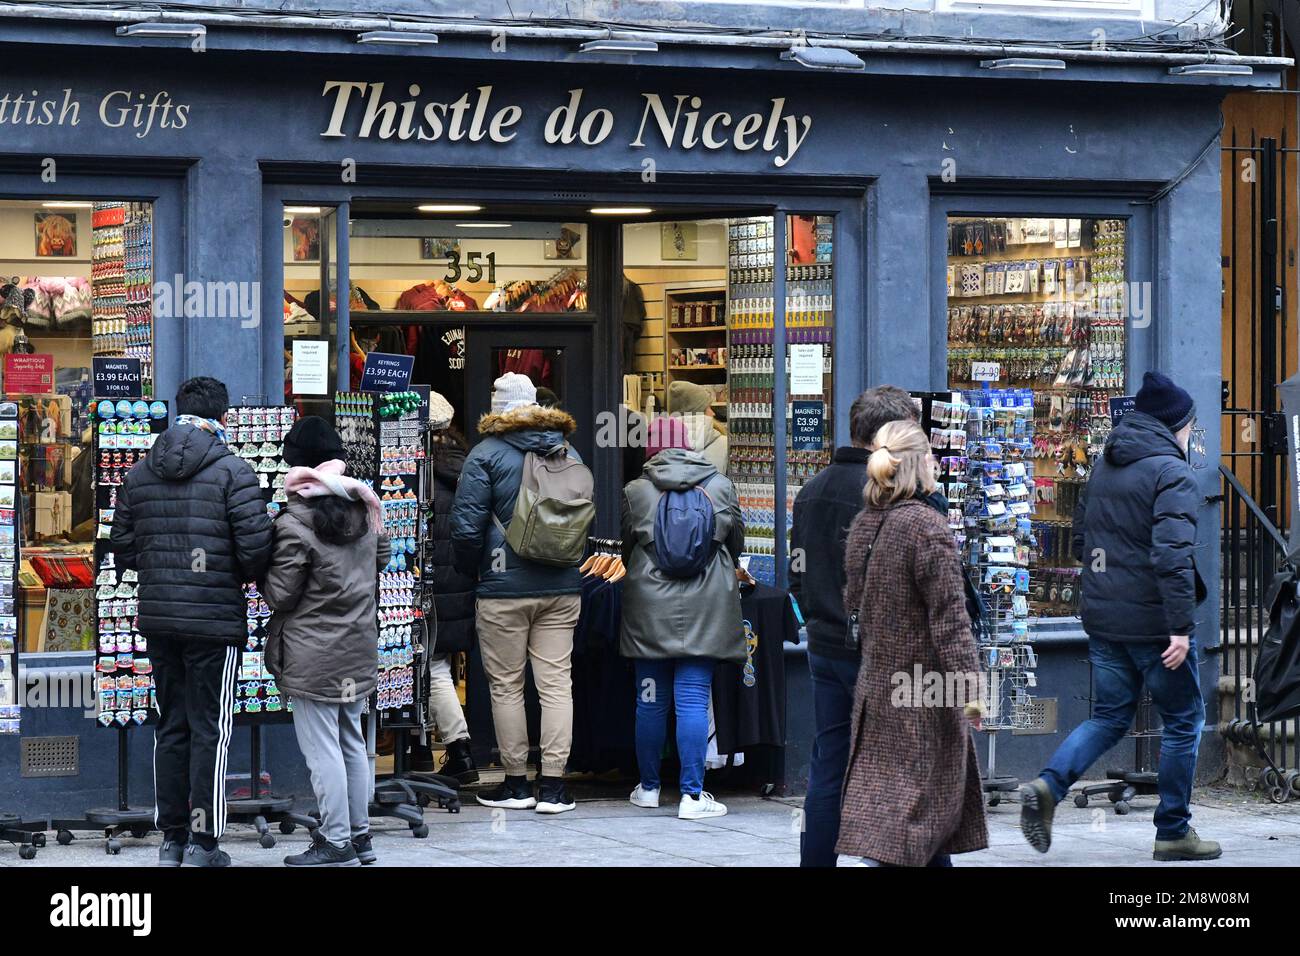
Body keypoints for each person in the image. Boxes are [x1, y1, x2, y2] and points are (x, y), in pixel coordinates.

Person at [1020, 371, 1217, 861]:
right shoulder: (1173, 474)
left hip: (1105, 620)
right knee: (1183, 720)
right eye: (1191, 426)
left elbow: (1083, 544)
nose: (1193, 435)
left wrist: (1108, 593)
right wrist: (1180, 628)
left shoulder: (1105, 468)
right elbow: (1172, 557)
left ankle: (1048, 785)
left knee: (1109, 716)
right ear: (1177, 425)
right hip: (1154, 626)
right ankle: (1173, 830)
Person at [110, 376, 273, 867]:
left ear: (176, 412)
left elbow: (122, 545)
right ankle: (205, 843)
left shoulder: (140, 472)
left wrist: (161, 569)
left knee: (172, 726)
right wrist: (228, 572)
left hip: (159, 618)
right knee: (211, 729)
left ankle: (172, 840)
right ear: (222, 418)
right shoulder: (233, 471)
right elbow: (256, 548)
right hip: (214, 621)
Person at [836, 419, 987, 867]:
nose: (937, 463)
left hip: (877, 688)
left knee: (907, 817)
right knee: (920, 817)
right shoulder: (927, 527)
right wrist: (972, 695)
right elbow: (951, 622)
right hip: (924, 695)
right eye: (932, 456)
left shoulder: (866, 523)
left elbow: (853, 603)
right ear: (921, 462)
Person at [790, 384, 925, 867]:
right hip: (881, 651)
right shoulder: (893, 492)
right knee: (897, 765)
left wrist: (817, 618)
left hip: (825, 646)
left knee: (829, 764)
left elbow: (797, 575)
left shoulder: (813, 488)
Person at [450, 372, 585, 814]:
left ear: (497, 406)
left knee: (507, 686)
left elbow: (467, 528)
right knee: (556, 684)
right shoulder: (567, 448)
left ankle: (515, 783)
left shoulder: (486, 454)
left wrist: (474, 573)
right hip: (562, 584)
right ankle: (555, 786)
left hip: (502, 588)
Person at [262, 416, 391, 867]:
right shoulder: (365, 504)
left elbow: (281, 593)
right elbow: (381, 559)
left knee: (323, 751)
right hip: (357, 644)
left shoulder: (294, 522)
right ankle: (360, 837)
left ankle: (336, 841)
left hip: (312, 653)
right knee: (352, 740)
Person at [621, 416, 745, 820]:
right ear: (691, 446)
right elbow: (735, 543)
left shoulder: (636, 491)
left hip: (649, 608)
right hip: (706, 606)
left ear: (651, 448)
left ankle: (651, 788)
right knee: (693, 698)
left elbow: (625, 549)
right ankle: (692, 796)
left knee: (650, 701)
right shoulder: (721, 486)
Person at [412, 413, 479, 783]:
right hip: (460, 587)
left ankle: (457, 748)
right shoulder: (466, 468)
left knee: (429, 665)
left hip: (426, 587)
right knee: (438, 664)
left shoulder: (420, 472)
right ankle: (428, 750)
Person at [668, 380, 727, 474]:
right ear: (698, 412)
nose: (713, 413)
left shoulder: (658, 444)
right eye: (708, 408)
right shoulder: (724, 444)